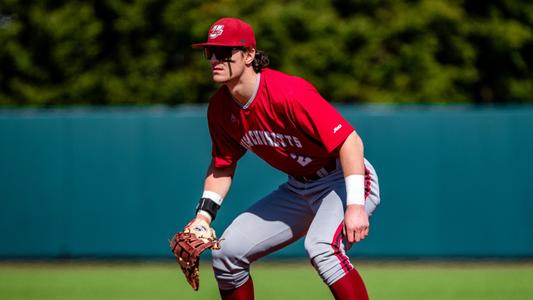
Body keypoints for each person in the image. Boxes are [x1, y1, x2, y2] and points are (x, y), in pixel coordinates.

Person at [185, 17, 381, 300]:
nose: (215, 58)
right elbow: (222, 165)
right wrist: (203, 216)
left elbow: (350, 142)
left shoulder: (287, 93)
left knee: (323, 247)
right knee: (228, 253)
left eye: (225, 51)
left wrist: (355, 207)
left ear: (250, 55)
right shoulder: (220, 108)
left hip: (343, 178)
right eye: (209, 51)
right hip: (298, 187)